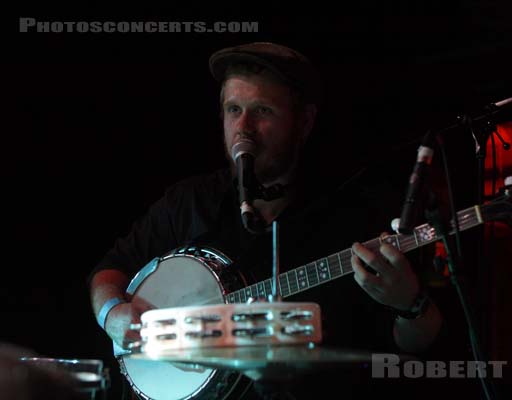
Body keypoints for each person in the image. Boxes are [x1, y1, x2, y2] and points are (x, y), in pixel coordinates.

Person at [88, 42, 443, 399]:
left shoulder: (354, 212)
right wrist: (112, 314)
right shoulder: (189, 202)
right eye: (234, 109)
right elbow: (110, 270)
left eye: (262, 111)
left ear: (304, 122)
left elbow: (413, 346)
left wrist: (409, 303)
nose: (244, 128)